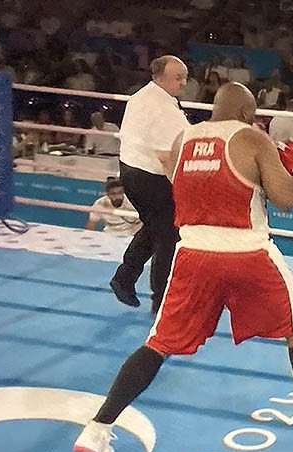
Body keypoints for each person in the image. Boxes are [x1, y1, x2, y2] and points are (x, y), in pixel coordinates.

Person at [73, 82, 293, 452]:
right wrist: (292, 165)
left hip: (192, 254)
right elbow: (287, 200)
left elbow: (185, 186)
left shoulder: (184, 139)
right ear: (246, 113)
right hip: (247, 252)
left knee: (158, 343)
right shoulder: (252, 138)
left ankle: (97, 429)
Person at [110, 55, 190, 313]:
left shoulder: (142, 96)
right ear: (159, 77)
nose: (184, 83)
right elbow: (167, 157)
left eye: (184, 77)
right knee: (167, 235)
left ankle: (125, 277)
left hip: (131, 171)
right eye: (178, 78)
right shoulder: (162, 108)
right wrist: (183, 189)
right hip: (150, 176)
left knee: (156, 228)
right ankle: (161, 300)